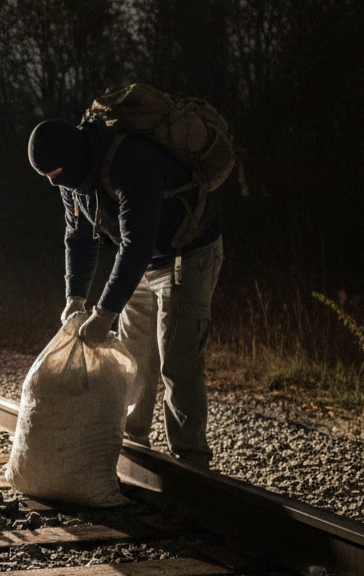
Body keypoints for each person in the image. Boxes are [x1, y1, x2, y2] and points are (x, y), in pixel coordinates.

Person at [28, 118, 224, 468]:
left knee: (177, 361)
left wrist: (104, 313)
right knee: (134, 358)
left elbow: (137, 245)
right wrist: (75, 297)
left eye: (55, 174)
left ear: (72, 160)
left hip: (187, 254)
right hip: (142, 262)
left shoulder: (130, 160)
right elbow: (79, 237)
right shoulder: (71, 180)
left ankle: (191, 462)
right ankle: (135, 449)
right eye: (46, 176)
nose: (53, 182)